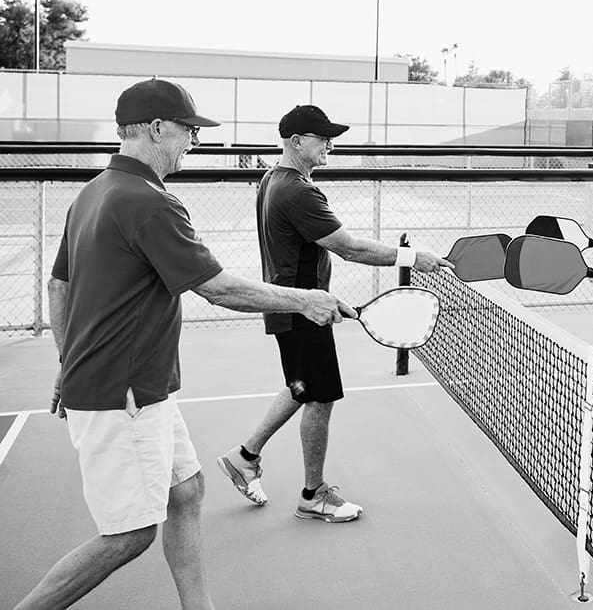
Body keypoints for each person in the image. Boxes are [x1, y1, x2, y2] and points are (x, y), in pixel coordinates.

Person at [18, 80, 352, 610]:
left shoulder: (92, 190)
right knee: (129, 536)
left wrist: (66, 360)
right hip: (123, 396)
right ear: (155, 129)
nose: (193, 141)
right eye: (189, 130)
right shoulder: (151, 203)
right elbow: (217, 288)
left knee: (187, 492)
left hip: (143, 388)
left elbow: (58, 286)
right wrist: (306, 299)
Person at [216, 105, 452, 523]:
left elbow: (300, 251)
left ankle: (244, 456)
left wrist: (321, 295)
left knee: (302, 385)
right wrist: (415, 257)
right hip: (301, 311)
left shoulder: (272, 178)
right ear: (296, 142)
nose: (329, 144)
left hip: (293, 304)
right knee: (320, 398)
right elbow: (349, 247)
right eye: (322, 138)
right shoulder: (297, 191)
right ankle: (313, 494)